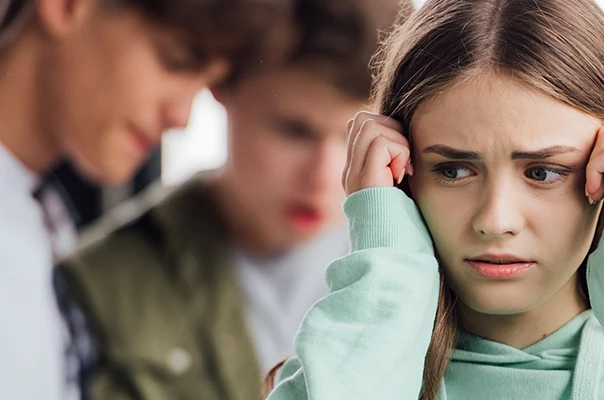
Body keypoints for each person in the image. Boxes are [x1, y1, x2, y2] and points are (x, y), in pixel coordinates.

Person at [263, 0, 604, 398]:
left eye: (542, 172)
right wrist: (383, 282)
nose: (496, 220)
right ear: (400, 179)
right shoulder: (330, 375)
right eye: (454, 170)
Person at [54, 1, 409, 399]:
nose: (325, 174)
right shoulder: (99, 283)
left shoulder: (424, 267)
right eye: (294, 131)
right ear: (219, 87)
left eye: (356, 139)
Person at [0, 0, 285, 398]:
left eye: (204, 83)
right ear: (66, 6)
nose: (182, 116)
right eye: (174, 59)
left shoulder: (38, 220)